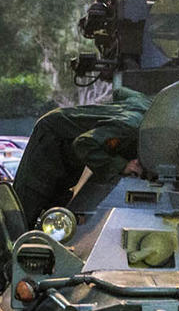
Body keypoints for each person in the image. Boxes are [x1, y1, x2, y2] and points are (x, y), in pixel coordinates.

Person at [11, 86, 153, 225]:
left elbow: (119, 92)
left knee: (57, 207)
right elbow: (84, 143)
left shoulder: (145, 103)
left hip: (66, 141)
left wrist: (106, 115)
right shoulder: (129, 127)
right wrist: (123, 166)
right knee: (28, 205)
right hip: (53, 137)